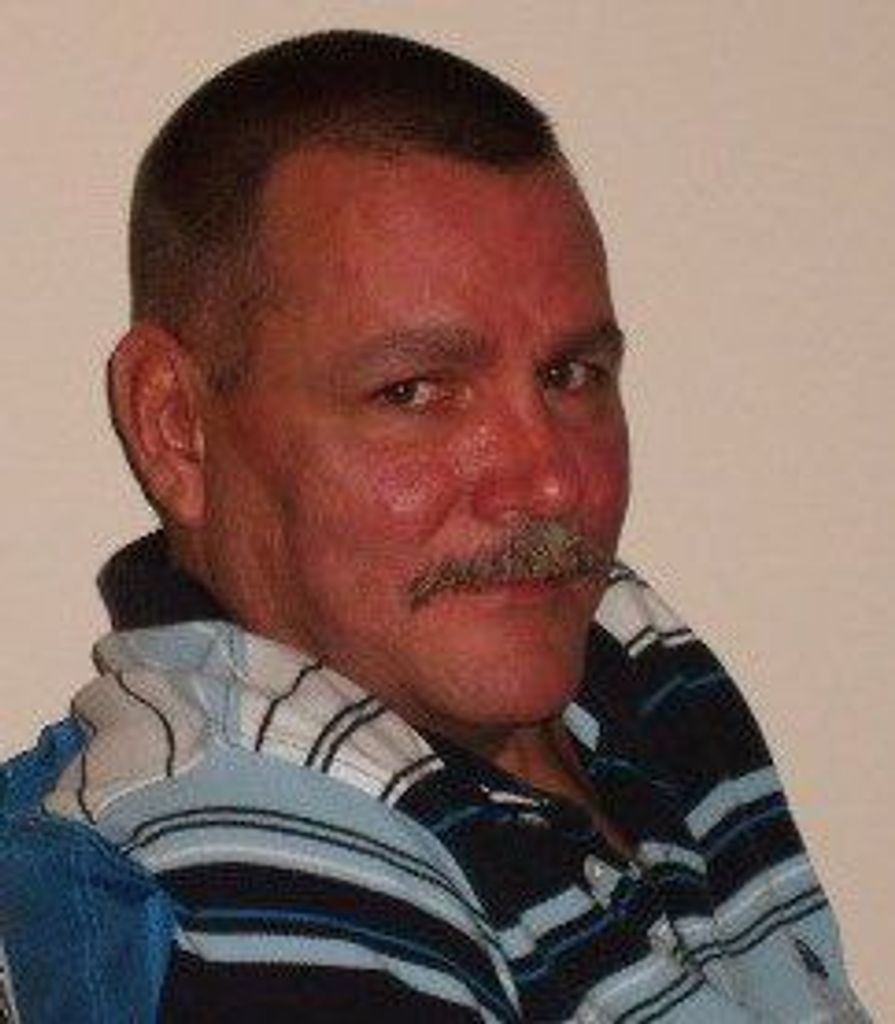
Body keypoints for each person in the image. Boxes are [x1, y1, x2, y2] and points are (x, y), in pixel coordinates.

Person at [0, 30, 869, 1023]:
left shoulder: (629, 656)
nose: (550, 480)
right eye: (413, 390)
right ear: (175, 425)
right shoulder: (254, 895)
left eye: (569, 374)